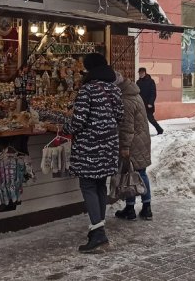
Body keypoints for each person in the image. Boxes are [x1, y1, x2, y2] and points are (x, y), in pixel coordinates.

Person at [65, 53, 124, 252]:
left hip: (90, 147)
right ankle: (98, 229)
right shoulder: (114, 90)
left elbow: (77, 123)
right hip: (108, 147)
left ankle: (98, 234)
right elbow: (120, 117)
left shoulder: (87, 90)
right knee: (100, 186)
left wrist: (63, 122)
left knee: (88, 185)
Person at [113, 71, 153, 221]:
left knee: (128, 173)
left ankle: (130, 209)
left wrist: (124, 147)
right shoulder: (135, 94)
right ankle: (147, 207)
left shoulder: (125, 100)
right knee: (141, 173)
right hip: (141, 140)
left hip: (132, 143)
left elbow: (126, 127)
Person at [137, 68, 164, 135]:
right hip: (140, 104)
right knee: (140, 119)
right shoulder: (138, 82)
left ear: (145, 73)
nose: (140, 74)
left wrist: (150, 103)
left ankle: (159, 129)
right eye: (139, 73)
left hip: (148, 104)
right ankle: (142, 133)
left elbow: (153, 93)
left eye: (142, 73)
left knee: (150, 119)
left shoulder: (151, 81)